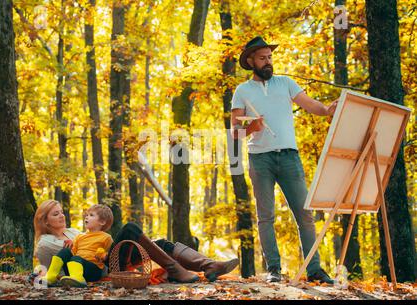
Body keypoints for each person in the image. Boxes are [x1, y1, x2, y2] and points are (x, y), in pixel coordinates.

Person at [231, 36, 338, 284]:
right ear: (251, 61)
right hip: (260, 160)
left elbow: (310, 104)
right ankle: (274, 270)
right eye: (262, 58)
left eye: (270, 57)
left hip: (289, 157)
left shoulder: (285, 83)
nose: (268, 62)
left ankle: (315, 270)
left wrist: (326, 110)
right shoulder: (242, 91)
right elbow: (235, 130)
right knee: (266, 216)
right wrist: (251, 128)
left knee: (305, 214)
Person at [33, 200, 239, 285]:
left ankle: (208, 265)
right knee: (130, 228)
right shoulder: (46, 242)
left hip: (105, 257)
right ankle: (175, 269)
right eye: (55, 214)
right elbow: (46, 266)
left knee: (161, 243)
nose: (61, 216)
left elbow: (98, 241)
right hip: (99, 267)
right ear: (44, 220)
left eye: (61, 212)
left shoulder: (73, 231)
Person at [42, 204, 114, 287]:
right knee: (65, 251)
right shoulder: (80, 237)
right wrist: (71, 246)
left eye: (91, 215)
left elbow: (111, 256)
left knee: (76, 258)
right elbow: (73, 253)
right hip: (74, 269)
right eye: (86, 215)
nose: (86, 217)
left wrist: (103, 254)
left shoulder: (106, 237)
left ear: (102, 222)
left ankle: (78, 280)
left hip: (93, 271)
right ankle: (50, 277)